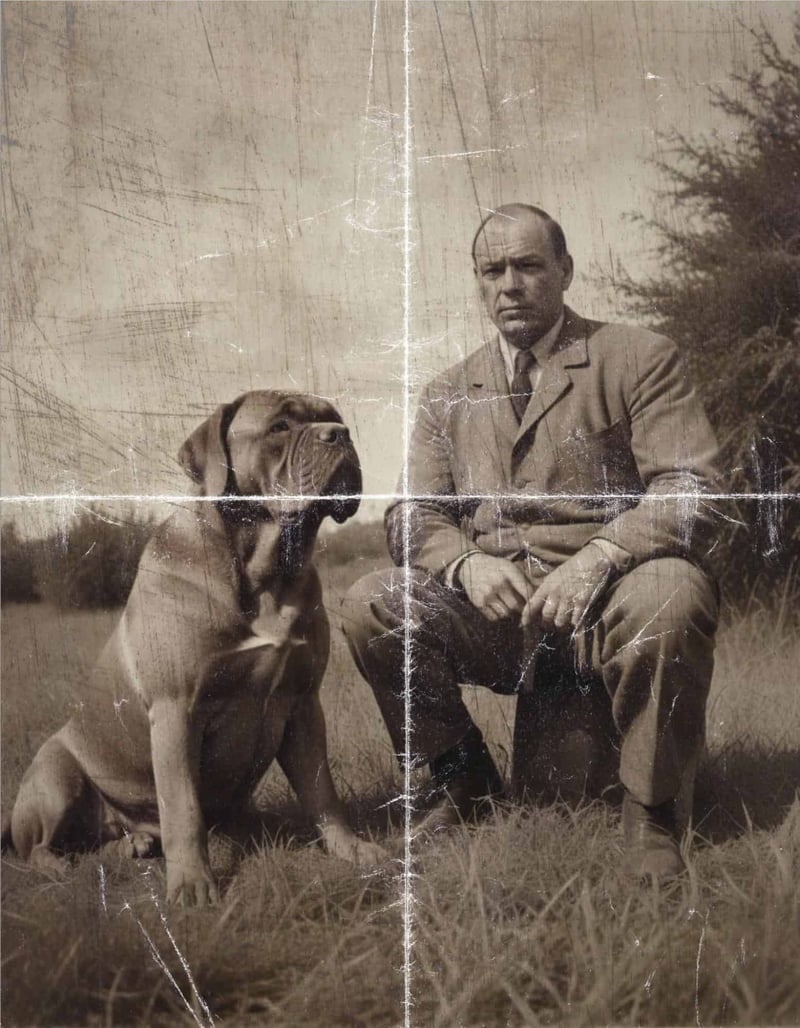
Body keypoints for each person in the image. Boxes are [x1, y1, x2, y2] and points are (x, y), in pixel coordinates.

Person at [343, 203, 721, 883]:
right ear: (478, 284)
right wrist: (464, 564)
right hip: (498, 621)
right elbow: (410, 516)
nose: (509, 284)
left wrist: (599, 558)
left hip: (607, 609)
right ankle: (464, 778)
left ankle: (654, 812)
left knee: (672, 590)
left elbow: (692, 488)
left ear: (566, 270)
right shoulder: (447, 393)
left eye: (527, 265)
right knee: (373, 601)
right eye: (493, 270)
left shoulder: (638, 357)